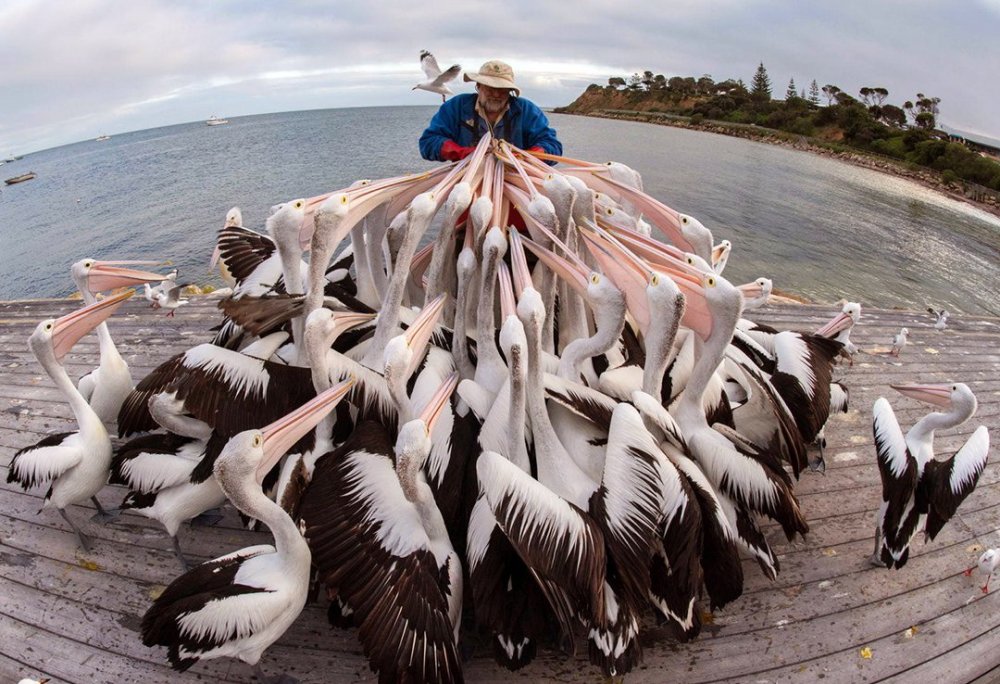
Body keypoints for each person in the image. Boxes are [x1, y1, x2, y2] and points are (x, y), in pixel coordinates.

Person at [419, 59, 563, 162]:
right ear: (478, 86)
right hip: (466, 182)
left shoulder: (526, 110)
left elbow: (552, 146)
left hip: (516, 183)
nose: (496, 94)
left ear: (510, 91)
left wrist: (527, 156)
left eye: (502, 90)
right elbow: (429, 142)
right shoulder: (456, 107)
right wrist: (462, 153)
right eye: (490, 88)